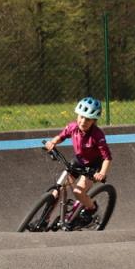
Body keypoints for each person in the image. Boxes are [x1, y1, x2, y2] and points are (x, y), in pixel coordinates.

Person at [43, 97, 113, 227]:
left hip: (93, 166)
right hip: (79, 161)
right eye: (81, 117)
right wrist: (52, 142)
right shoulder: (72, 127)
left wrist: (102, 173)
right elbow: (61, 136)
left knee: (78, 192)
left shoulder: (97, 135)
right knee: (58, 189)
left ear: (94, 121)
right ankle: (44, 219)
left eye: (88, 119)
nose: (83, 121)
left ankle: (91, 209)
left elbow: (107, 157)